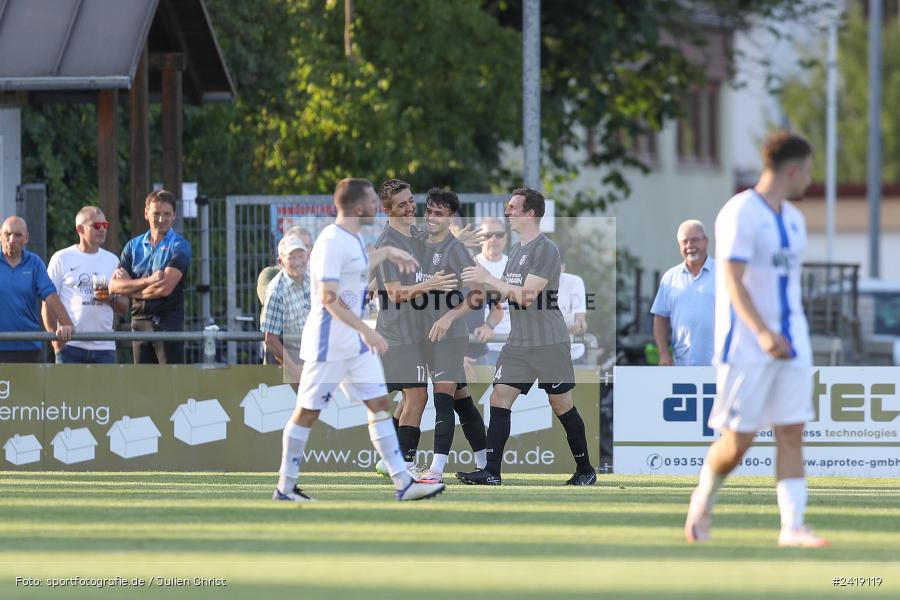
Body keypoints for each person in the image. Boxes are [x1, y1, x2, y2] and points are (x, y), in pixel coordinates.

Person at [684, 132, 828, 547]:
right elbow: (731, 279)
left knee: (791, 430)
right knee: (738, 441)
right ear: (793, 170)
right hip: (746, 344)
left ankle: (793, 527)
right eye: (809, 170)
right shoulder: (740, 212)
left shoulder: (795, 219)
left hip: (793, 340)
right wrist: (763, 332)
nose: (810, 179)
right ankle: (703, 498)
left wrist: (786, 333)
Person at [273, 177, 444, 502]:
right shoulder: (330, 241)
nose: (376, 208)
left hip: (353, 343)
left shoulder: (352, 239)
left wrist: (390, 251)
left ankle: (403, 484)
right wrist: (367, 330)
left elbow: (363, 263)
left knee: (379, 404)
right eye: (370, 201)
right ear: (357, 207)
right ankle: (285, 486)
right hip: (329, 343)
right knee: (307, 412)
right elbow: (328, 297)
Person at [457, 188, 596, 486]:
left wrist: (488, 279)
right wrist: (477, 276)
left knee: (561, 405)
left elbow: (527, 296)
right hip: (518, 343)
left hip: (549, 342)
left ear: (530, 213)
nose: (508, 213)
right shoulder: (518, 251)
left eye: (513, 207)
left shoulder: (545, 249)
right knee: (499, 397)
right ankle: (491, 472)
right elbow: (506, 292)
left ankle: (585, 470)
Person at [371, 180, 488, 481]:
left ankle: (486, 465)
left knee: (456, 399)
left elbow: (444, 242)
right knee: (417, 396)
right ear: (387, 211)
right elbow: (394, 292)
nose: (412, 208)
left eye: (412, 201)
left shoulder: (416, 235)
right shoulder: (389, 243)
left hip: (431, 335)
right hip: (398, 333)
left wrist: (458, 240)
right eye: (402, 204)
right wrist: (430, 284)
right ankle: (404, 464)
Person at [417, 188, 486, 482]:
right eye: (429, 212)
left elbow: (479, 295)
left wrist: (448, 316)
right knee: (462, 401)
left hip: (451, 334)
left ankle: (435, 471)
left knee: (442, 397)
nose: (432, 218)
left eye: (439, 214)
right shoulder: (417, 243)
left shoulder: (457, 251)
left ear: (451, 218)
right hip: (421, 335)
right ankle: (486, 465)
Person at [110, 190, 192, 364]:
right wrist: (149, 281)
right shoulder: (133, 246)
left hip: (168, 325)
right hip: (139, 323)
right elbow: (114, 287)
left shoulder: (180, 246)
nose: (161, 219)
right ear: (146, 214)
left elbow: (164, 288)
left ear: (174, 215)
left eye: (166, 214)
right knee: (143, 387)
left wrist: (131, 289)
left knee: (172, 386)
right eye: (156, 214)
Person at [44, 207, 128, 363]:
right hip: (70, 346)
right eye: (96, 226)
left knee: (104, 389)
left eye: (105, 225)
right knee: (67, 389)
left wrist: (109, 298)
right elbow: (48, 302)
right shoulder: (61, 258)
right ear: (80, 229)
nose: (102, 229)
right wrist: (55, 341)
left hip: (104, 348)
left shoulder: (112, 260)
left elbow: (124, 307)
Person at [0, 216, 74, 362]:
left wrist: (67, 324)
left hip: (29, 346)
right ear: (0, 235)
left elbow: (51, 296)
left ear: (26, 238)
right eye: (7, 234)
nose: (12, 239)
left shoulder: (34, 263)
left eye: (18, 235)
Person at [650, 220, 715, 366]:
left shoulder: (723, 274)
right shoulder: (670, 278)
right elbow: (659, 318)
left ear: (706, 241)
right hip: (682, 364)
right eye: (684, 242)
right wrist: (664, 354)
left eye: (695, 240)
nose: (690, 246)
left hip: (718, 364)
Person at [260, 235, 311, 381]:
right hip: (291, 362)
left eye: (300, 255)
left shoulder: (311, 280)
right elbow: (271, 339)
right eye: (291, 257)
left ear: (307, 257)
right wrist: (294, 370)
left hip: (312, 358)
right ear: (281, 262)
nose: (297, 262)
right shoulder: (276, 291)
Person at [472, 216, 510, 366]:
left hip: (513, 347)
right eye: (487, 235)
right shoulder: (470, 264)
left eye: (499, 235)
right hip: (478, 347)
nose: (493, 239)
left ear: (505, 238)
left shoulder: (515, 265)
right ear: (480, 239)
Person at [257, 226, 314, 304]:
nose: (303, 251)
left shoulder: (316, 275)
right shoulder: (271, 274)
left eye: (306, 246)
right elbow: (271, 302)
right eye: (297, 247)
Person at [558, 258, 588, 364]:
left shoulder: (574, 282)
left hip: (573, 355)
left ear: (563, 266)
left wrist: (578, 326)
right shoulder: (533, 284)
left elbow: (581, 323)